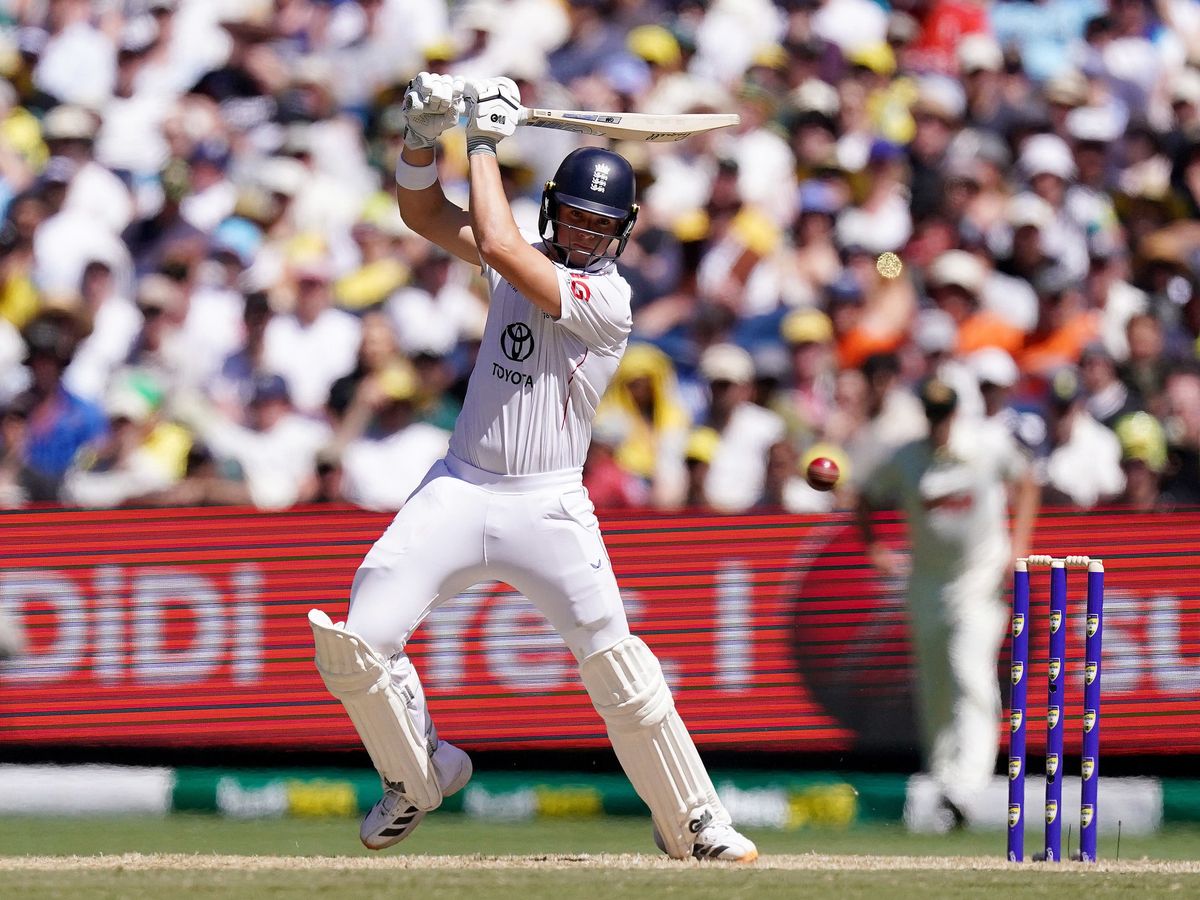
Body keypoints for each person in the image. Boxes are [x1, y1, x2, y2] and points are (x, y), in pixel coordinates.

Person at [307, 72, 757, 862]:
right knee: (357, 641)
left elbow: (503, 245)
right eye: (575, 220)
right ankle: (419, 775)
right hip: (459, 486)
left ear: (622, 232)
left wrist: (481, 142)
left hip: (547, 507)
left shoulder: (605, 300)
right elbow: (421, 212)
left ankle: (694, 820)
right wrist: (422, 137)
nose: (585, 236)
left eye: (600, 226)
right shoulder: (520, 255)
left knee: (618, 667)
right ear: (554, 209)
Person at [855, 377, 1040, 829]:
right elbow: (864, 494)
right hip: (926, 585)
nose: (939, 424)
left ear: (955, 413)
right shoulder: (908, 457)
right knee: (935, 685)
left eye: (945, 415)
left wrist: (1018, 546)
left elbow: (1028, 481)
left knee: (968, 671)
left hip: (979, 581)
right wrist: (874, 547)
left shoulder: (986, 445)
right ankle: (944, 785)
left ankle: (967, 785)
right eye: (932, 416)